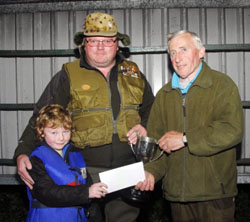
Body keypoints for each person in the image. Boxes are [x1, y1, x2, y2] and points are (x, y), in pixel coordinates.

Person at [14, 12, 154, 222]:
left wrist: (144, 126)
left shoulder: (133, 72)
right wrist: (22, 152)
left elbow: (152, 112)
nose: (100, 46)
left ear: (117, 44)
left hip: (127, 170)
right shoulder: (68, 74)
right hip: (82, 172)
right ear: (83, 44)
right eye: (93, 40)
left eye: (107, 41)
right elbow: (41, 115)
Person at [136, 30, 244, 222]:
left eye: (183, 50)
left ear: (201, 52)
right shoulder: (164, 95)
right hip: (178, 196)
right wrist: (151, 172)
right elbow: (157, 143)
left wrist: (185, 138)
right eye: (173, 53)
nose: (177, 58)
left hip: (215, 194)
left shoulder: (221, 86)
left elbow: (231, 130)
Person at [26, 104, 107, 222]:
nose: (61, 138)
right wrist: (86, 192)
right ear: (41, 131)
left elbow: (88, 185)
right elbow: (46, 193)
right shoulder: (36, 159)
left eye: (65, 131)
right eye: (54, 133)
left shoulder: (76, 155)